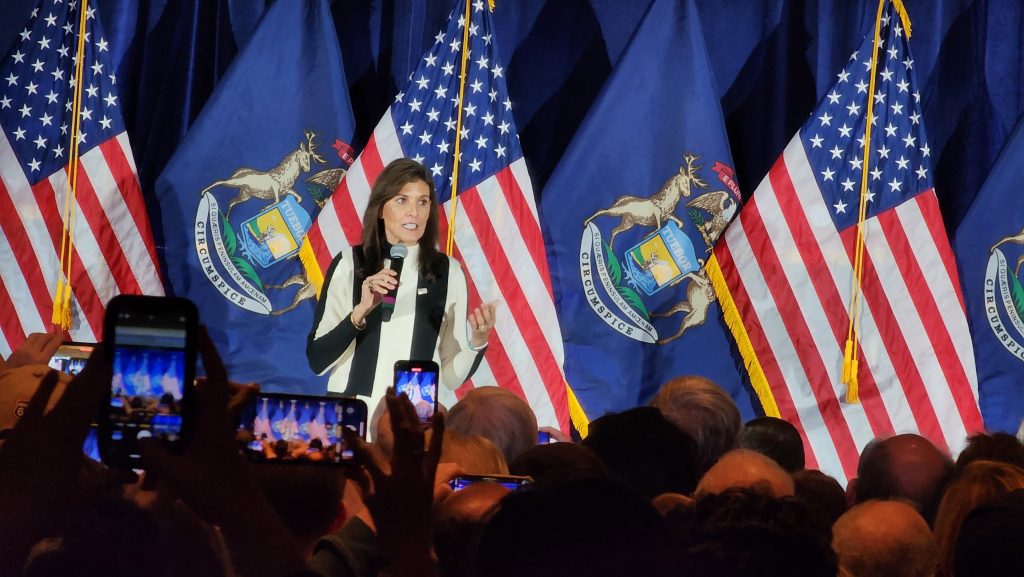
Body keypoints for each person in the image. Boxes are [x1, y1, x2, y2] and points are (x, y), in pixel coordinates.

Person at [307, 158, 496, 416]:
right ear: (381, 208)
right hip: (351, 415)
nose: (414, 213)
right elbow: (317, 361)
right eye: (402, 200)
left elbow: (451, 376)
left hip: (412, 420)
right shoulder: (350, 264)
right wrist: (359, 313)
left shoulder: (447, 272)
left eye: (423, 202)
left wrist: (477, 343)